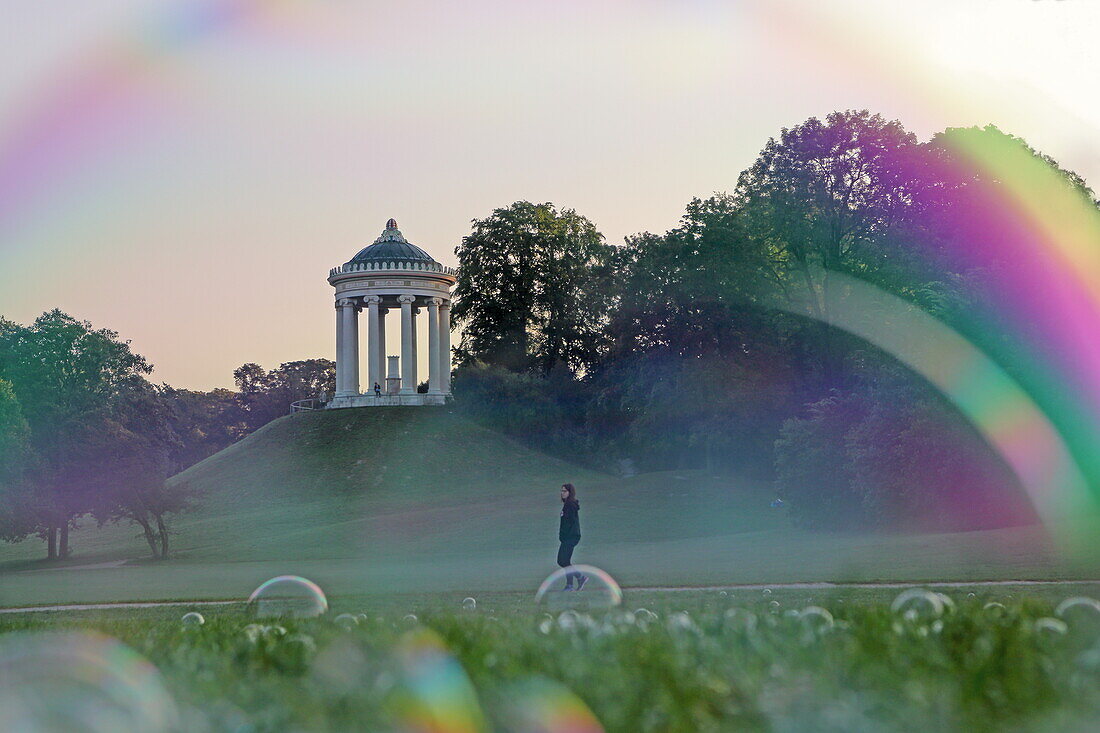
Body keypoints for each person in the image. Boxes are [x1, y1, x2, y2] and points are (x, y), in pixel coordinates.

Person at [557, 483, 587, 591]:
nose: (562, 493)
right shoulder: (567, 505)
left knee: (563, 561)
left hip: (571, 537)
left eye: (565, 491)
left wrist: (566, 535)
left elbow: (570, 522)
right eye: (561, 491)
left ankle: (577, 580)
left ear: (570, 493)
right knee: (564, 561)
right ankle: (574, 581)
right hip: (567, 537)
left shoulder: (570, 505)